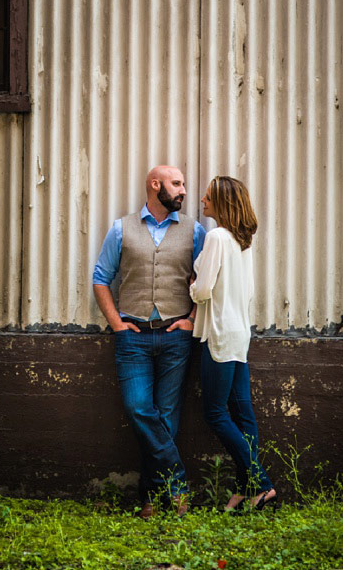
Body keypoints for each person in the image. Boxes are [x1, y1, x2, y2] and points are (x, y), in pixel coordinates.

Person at [93, 165, 206, 518]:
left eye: (184, 184)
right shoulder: (121, 229)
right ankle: (178, 486)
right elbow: (101, 278)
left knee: (167, 418)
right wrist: (117, 325)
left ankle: (151, 500)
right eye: (176, 183)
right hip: (134, 337)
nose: (184, 190)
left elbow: (206, 284)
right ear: (155, 185)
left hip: (176, 337)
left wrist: (191, 320)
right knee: (140, 409)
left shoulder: (195, 231)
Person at [190, 175, 277, 512]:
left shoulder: (216, 237)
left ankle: (261, 484)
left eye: (208, 196)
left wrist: (192, 285)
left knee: (215, 412)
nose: (202, 200)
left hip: (221, 335)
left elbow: (203, 291)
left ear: (223, 202)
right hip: (240, 332)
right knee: (243, 413)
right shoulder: (242, 242)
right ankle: (245, 491)